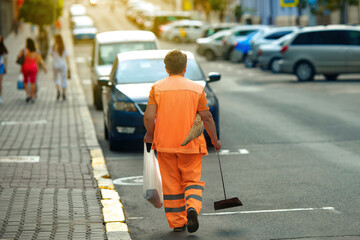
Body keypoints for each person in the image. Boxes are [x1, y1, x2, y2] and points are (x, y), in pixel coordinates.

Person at [143, 49, 221, 233]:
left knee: (172, 185)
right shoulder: (196, 88)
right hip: (192, 145)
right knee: (192, 180)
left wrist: (150, 134)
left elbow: (149, 116)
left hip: (165, 145)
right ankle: (192, 207)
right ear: (185, 67)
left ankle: (178, 222)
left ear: (166, 67)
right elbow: (207, 117)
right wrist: (214, 139)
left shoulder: (157, 88)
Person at [18, 38, 47, 103]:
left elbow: (18, 56)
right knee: (33, 82)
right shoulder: (36, 51)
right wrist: (44, 66)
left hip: (25, 67)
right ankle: (32, 96)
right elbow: (40, 60)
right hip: (33, 68)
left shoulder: (24, 50)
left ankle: (28, 95)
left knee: (25, 81)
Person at [51, 34, 70, 101]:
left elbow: (51, 55)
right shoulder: (63, 46)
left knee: (56, 78)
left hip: (55, 64)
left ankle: (58, 90)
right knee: (63, 79)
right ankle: (64, 94)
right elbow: (67, 57)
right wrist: (69, 66)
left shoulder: (53, 46)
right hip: (62, 64)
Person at [0, 35, 8, 103]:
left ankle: (0, 96)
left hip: (1, 66)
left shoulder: (3, 48)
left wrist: (5, 67)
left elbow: (5, 59)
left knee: (0, 83)